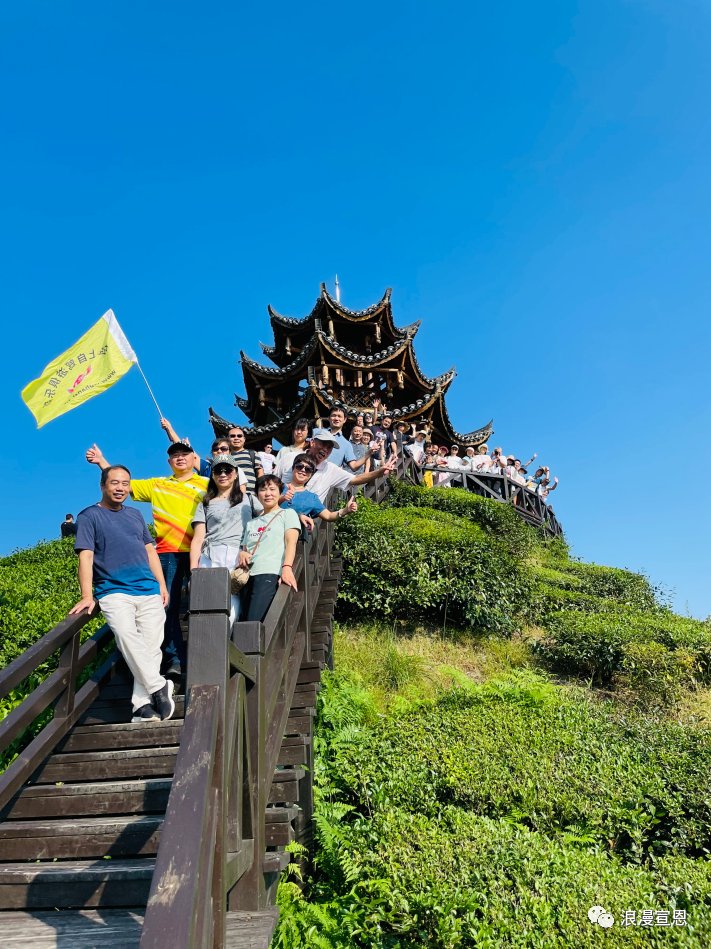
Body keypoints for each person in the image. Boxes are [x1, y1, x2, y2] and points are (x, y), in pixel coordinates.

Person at [86, 441, 209, 676]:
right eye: (174, 455)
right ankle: (175, 659)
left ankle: (204, 658)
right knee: (168, 606)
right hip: (166, 551)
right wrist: (102, 462)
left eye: (185, 454)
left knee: (204, 604)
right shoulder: (158, 484)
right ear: (169, 461)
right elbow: (121, 484)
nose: (180, 458)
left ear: (194, 458)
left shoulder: (206, 484)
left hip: (200, 550)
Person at [70, 465, 174, 723]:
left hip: (148, 589)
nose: (120, 488)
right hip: (113, 591)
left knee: (150, 647)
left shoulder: (136, 515)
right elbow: (86, 555)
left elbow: (150, 550)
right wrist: (86, 594)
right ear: (103, 485)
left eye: (125, 483)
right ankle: (159, 685)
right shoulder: (89, 516)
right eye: (115, 483)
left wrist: (161, 583)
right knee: (127, 637)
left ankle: (141, 706)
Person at [190, 454, 263, 624]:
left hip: (237, 554)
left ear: (236, 474)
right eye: (218, 471)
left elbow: (268, 519)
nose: (223, 474)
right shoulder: (205, 503)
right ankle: (208, 644)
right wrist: (194, 569)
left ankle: (222, 644)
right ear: (213, 475)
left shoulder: (248, 499)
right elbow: (198, 538)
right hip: (210, 555)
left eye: (228, 470)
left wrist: (298, 515)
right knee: (208, 603)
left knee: (232, 606)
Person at [238, 474, 301, 622]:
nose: (268, 493)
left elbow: (291, 543)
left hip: (269, 573)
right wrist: (242, 553)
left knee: (254, 621)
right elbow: (246, 547)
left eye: (272, 489)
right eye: (263, 489)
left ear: (280, 492)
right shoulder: (251, 523)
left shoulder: (287, 514)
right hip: (247, 577)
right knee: (244, 621)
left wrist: (286, 567)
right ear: (257, 494)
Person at [275, 432, 396, 503]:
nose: (325, 449)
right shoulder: (289, 458)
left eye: (329, 447)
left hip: (306, 524)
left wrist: (379, 472)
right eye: (323, 444)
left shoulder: (331, 469)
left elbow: (355, 479)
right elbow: (272, 482)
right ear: (312, 442)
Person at [279, 453, 358, 528]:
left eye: (308, 469)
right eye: (299, 466)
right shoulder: (277, 486)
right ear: (293, 468)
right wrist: (282, 498)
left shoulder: (311, 498)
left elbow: (328, 516)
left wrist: (345, 510)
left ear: (311, 474)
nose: (303, 470)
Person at [227, 426, 263, 492]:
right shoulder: (226, 456)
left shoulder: (252, 453)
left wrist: (260, 489)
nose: (236, 438)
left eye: (239, 436)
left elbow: (260, 473)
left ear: (244, 439)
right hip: (231, 493)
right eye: (232, 436)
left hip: (251, 493)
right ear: (228, 439)